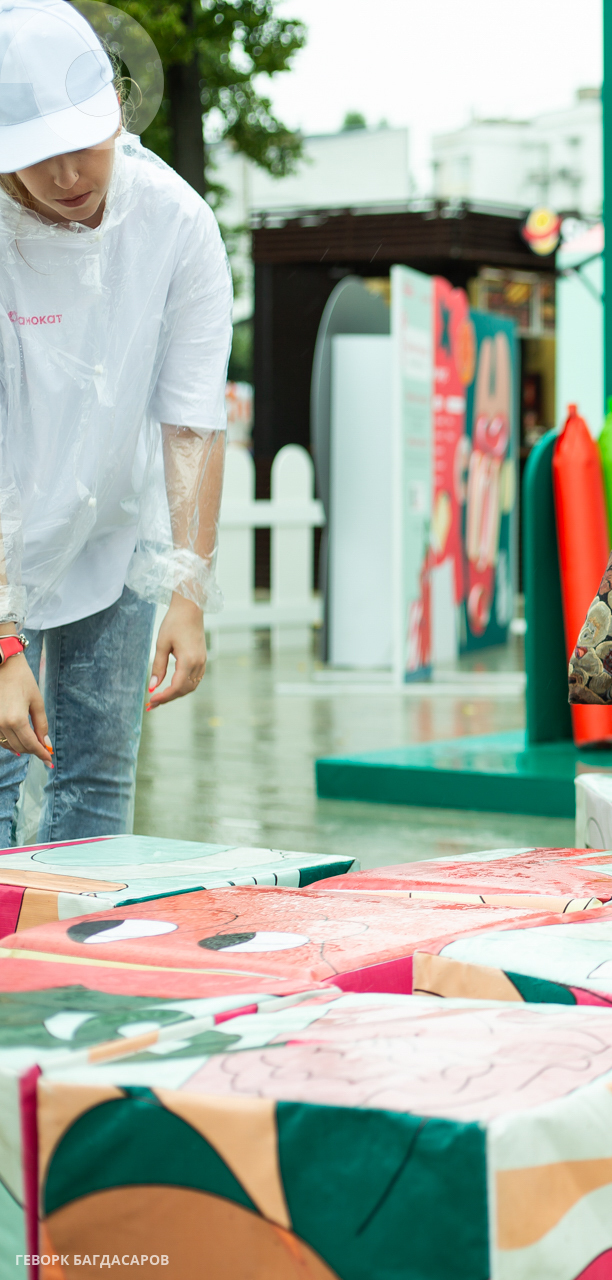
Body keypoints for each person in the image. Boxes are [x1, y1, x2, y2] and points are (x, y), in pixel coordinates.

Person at [0, 0, 230, 846]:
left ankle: (85, 941)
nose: (67, 174)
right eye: (37, 156)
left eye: (83, 142)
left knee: (95, 781)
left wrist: (188, 593)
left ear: (118, 109)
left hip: (112, 529)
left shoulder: (175, 222)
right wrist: (2, 643)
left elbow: (193, 422)